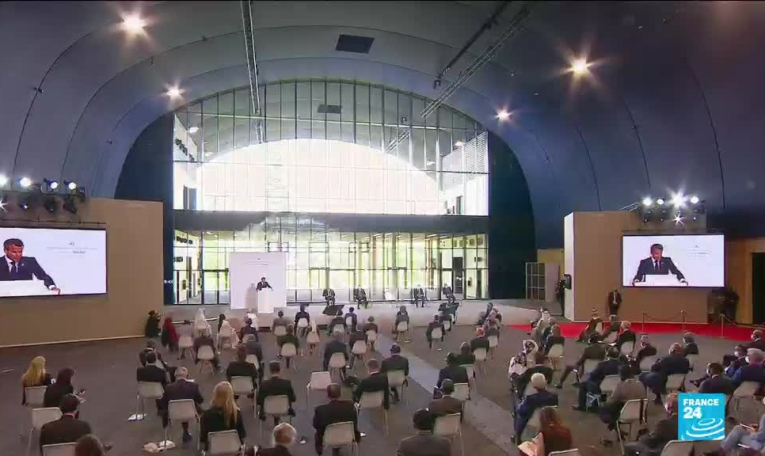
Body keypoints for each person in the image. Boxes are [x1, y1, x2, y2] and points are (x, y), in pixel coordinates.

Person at [313, 384, 360, 455]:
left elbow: (315, 425)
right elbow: (355, 424)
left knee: (318, 432)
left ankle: (320, 451)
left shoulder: (320, 410)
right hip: (348, 436)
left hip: (328, 439)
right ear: (340, 394)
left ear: (328, 395)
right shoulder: (351, 407)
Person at [599, 365, 647, 433]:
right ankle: (615, 427)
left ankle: (614, 427)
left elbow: (611, 401)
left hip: (625, 414)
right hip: (640, 413)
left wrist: (608, 398)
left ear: (621, 375)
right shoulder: (640, 384)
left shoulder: (621, 386)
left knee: (604, 408)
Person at [160, 367, 204, 442]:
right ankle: (202, 436)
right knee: (200, 410)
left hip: (174, 414)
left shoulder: (168, 388)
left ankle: (183, 433)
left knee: (181, 407)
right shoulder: (194, 386)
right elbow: (200, 400)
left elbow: (163, 403)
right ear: (186, 375)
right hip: (191, 412)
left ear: (175, 376)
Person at [200, 382, 246, 451]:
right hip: (233, 450)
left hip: (213, 450)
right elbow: (241, 435)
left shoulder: (206, 415)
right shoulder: (236, 414)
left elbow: (203, 438)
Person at [514, 373, 558, 443]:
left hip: (535, 423)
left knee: (521, 416)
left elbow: (522, 411)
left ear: (534, 386)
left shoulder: (531, 398)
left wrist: (518, 407)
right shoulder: (554, 396)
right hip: (548, 420)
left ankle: (518, 436)